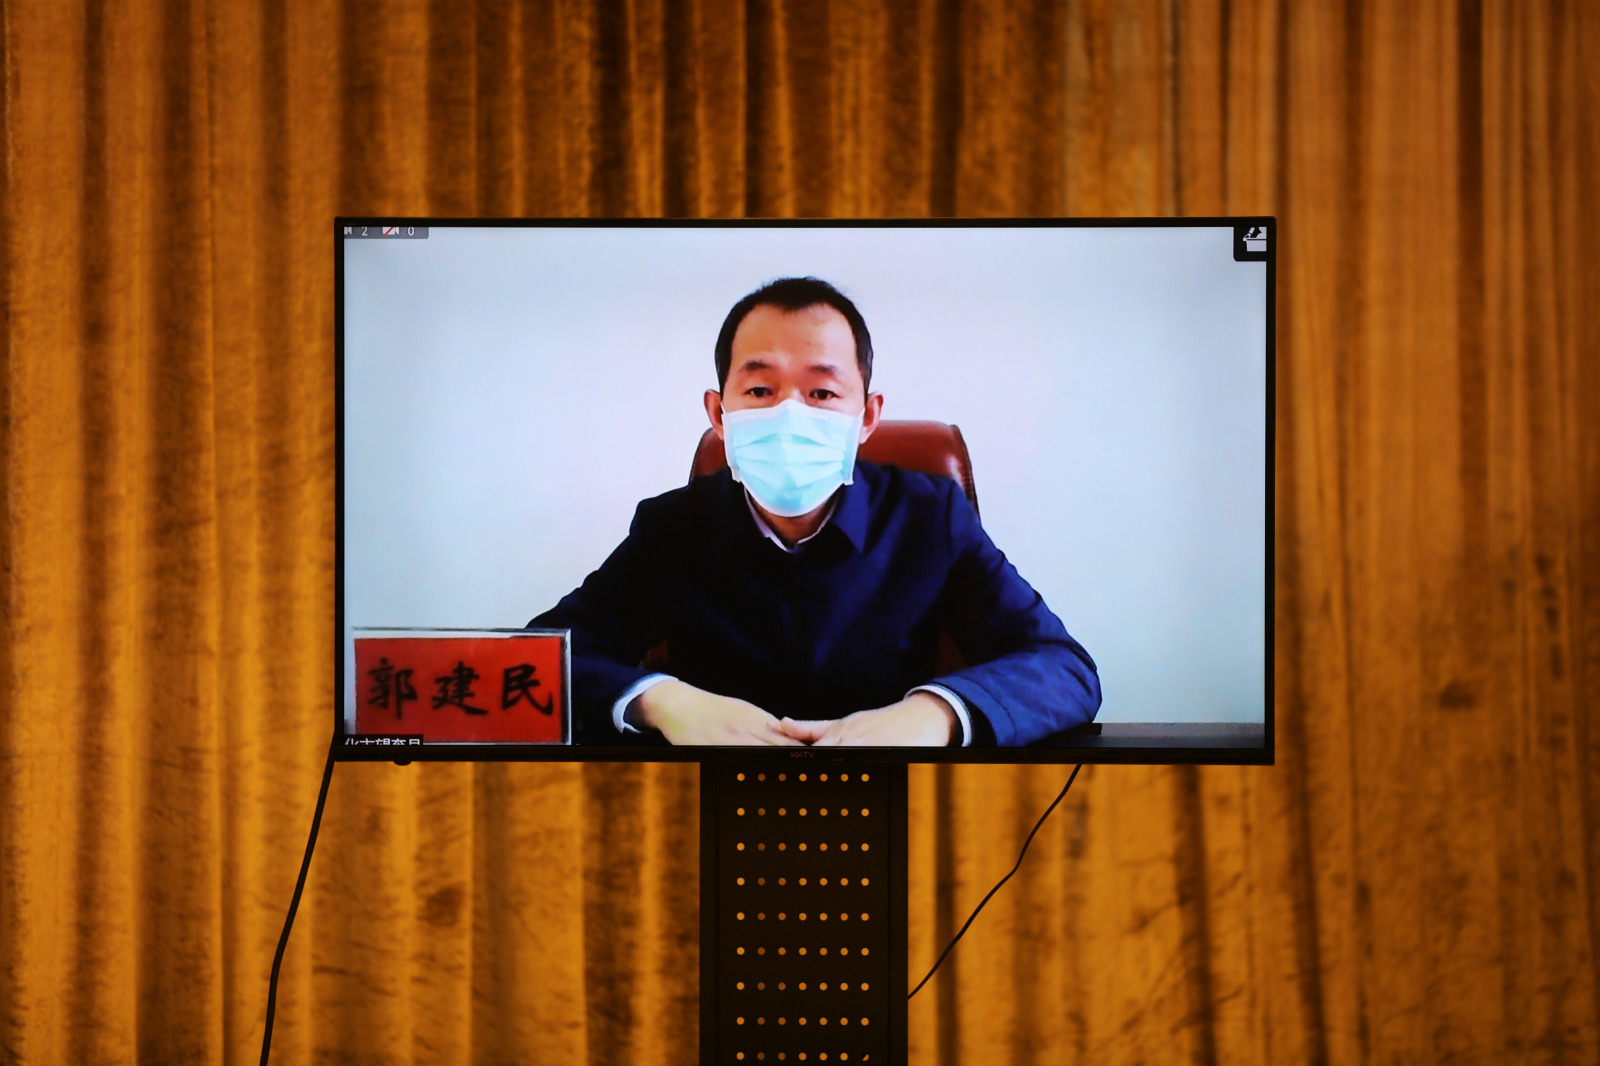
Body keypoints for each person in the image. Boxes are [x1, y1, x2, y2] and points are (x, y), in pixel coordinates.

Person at [528, 277, 1100, 746]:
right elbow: (539, 658)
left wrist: (935, 714)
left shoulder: (930, 519)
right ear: (719, 414)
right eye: (760, 391)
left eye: (822, 393)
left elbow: (1063, 668)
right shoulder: (672, 529)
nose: (789, 415)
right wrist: (660, 701)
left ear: (867, 416)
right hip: (714, 797)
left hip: (893, 799)